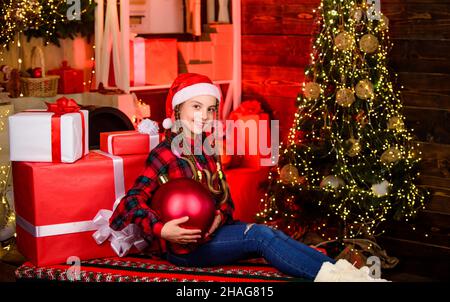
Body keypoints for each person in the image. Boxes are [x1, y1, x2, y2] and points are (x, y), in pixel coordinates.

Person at [109, 73, 386, 282]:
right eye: (195, 107)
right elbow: (128, 206)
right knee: (260, 237)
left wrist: (218, 214)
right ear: (177, 110)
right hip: (186, 252)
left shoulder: (208, 149)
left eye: (210, 109)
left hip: (213, 234)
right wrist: (161, 229)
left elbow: (226, 201)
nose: (204, 116)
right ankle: (340, 279)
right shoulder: (165, 153)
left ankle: (347, 273)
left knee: (270, 232)